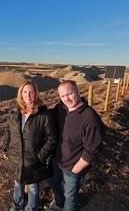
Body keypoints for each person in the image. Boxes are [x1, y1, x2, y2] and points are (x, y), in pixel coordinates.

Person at [44, 80, 106, 211]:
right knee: (51, 181)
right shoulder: (61, 108)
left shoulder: (89, 118)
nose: (66, 99)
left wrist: (76, 169)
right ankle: (59, 203)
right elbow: (49, 115)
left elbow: (93, 150)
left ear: (78, 91)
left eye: (69, 93)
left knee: (70, 196)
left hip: (73, 165)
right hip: (58, 159)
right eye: (62, 96)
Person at [4, 80, 57, 211]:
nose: (28, 95)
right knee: (18, 184)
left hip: (34, 161)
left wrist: (40, 156)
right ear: (20, 94)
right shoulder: (14, 113)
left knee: (33, 187)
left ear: (36, 94)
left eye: (31, 92)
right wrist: (6, 147)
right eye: (25, 92)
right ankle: (16, 207)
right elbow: (7, 131)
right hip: (16, 159)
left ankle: (31, 208)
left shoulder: (44, 114)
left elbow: (52, 138)